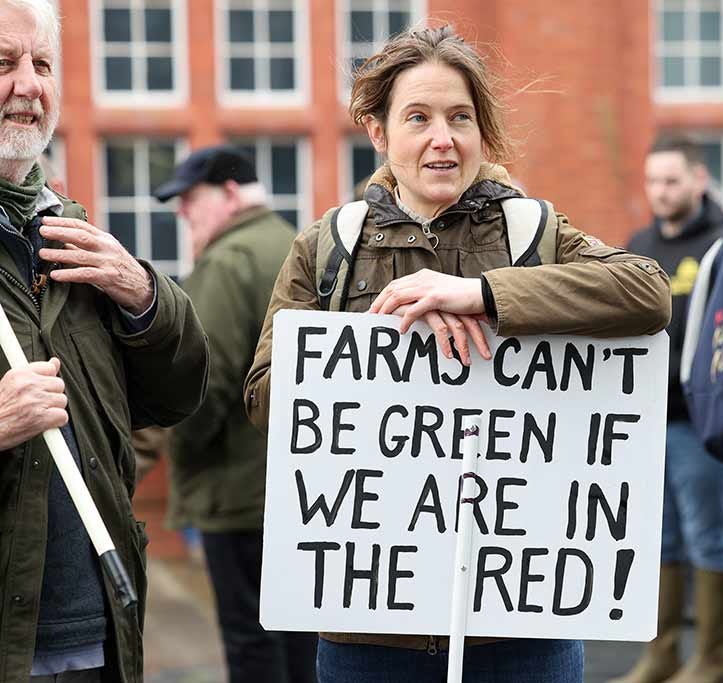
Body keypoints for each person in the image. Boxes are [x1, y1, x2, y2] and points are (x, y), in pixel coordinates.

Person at [243, 25, 671, 683]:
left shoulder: (534, 230)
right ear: (379, 132)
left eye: (460, 118)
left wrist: (485, 294)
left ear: (482, 133)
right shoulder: (326, 247)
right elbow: (267, 399)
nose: (443, 138)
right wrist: (384, 355)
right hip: (370, 629)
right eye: (418, 117)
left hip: (521, 625)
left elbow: (646, 291)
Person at [0, 1, 209, 681]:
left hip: (99, 635)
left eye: (42, 64)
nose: (27, 85)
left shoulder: (73, 237)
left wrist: (147, 296)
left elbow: (178, 393)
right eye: (4, 63)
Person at [153, 145, 317, 683]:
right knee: (303, 648)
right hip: (303, 496)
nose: (181, 214)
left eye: (189, 200)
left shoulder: (227, 261)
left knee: (251, 648)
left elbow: (204, 383)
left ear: (227, 194)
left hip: (238, 495)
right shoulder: (298, 248)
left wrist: (180, 447)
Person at [612, 135, 723, 683]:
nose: (660, 192)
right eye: (653, 181)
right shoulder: (638, 244)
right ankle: (661, 655)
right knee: (657, 538)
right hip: (644, 422)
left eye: (671, 180)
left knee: (708, 534)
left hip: (699, 422)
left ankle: (711, 659)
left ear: (698, 180)